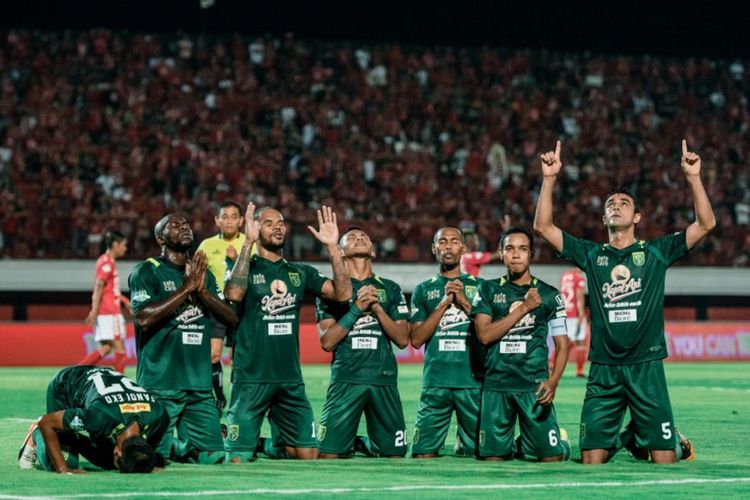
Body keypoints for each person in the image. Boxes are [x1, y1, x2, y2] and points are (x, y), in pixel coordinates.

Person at [533, 139, 714, 464]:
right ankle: (628, 436)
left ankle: (655, 437)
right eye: (611, 204)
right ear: (604, 218)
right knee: (591, 460)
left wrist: (693, 178)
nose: (616, 205)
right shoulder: (592, 254)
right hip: (604, 368)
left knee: (664, 461)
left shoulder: (657, 252)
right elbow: (543, 227)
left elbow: (705, 225)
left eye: (624, 203)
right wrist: (549, 179)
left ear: (638, 217)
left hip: (647, 365)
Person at [224, 204, 352, 462]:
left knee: (309, 454)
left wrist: (332, 247)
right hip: (252, 378)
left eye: (281, 223)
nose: (278, 227)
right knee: (238, 458)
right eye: (269, 223)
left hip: (289, 379)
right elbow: (233, 294)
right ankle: (256, 443)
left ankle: (271, 445)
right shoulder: (246, 267)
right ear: (256, 228)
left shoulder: (299, 272)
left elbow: (343, 293)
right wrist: (247, 244)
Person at [128, 214, 238, 464]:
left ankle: (184, 447)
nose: (184, 228)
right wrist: (186, 289)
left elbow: (232, 318)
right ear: (160, 238)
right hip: (162, 383)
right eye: (174, 226)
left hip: (199, 386)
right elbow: (143, 318)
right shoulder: (147, 271)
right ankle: (178, 448)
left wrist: (203, 292)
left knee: (215, 457)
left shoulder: (203, 274)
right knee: (154, 458)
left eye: (186, 224)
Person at [471, 226, 571, 462]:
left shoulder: (549, 294)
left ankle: (560, 443)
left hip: (533, 385)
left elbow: (563, 345)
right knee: (492, 459)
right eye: (510, 249)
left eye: (523, 249)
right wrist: (524, 308)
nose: (516, 254)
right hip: (497, 384)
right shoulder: (487, 289)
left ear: (531, 254)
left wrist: (553, 380)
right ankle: (523, 443)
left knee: (551, 459)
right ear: (502, 253)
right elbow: (484, 335)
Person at [316, 227, 410, 458]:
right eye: (352, 238)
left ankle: (360, 443)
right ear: (341, 252)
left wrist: (377, 307)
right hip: (346, 378)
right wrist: (357, 308)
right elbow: (327, 342)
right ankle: (348, 441)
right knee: (327, 454)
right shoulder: (331, 291)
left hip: (383, 378)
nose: (360, 238)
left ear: (374, 251)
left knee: (394, 454)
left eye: (365, 237)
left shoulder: (390, 288)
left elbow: (402, 339)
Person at [410, 226, 484, 458]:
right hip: (436, 382)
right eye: (442, 242)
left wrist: (463, 301)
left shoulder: (481, 287)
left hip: (472, 381)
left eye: (454, 241)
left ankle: (465, 439)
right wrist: (443, 304)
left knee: (485, 452)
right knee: (422, 454)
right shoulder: (423, 290)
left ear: (463, 248)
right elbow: (416, 339)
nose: (448, 246)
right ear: (434, 248)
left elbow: (488, 333)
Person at [17, 365, 168, 474]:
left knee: (112, 460)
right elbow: (46, 422)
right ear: (116, 452)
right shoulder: (99, 417)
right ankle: (36, 434)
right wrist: (62, 469)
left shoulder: (159, 416)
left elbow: (144, 452)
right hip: (66, 386)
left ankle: (73, 439)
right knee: (65, 460)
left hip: (104, 381)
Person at [196, 201, 249, 414]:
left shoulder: (249, 243)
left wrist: (238, 261)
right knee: (213, 355)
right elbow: (195, 274)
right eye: (224, 216)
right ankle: (218, 397)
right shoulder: (206, 245)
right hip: (216, 308)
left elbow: (258, 272)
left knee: (239, 360)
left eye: (233, 216)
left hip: (242, 309)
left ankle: (239, 402)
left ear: (241, 221)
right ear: (217, 220)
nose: (229, 220)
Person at [78, 231, 131, 373]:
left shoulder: (105, 260)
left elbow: (111, 291)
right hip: (110, 312)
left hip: (106, 312)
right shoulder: (107, 262)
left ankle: (76, 372)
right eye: (123, 245)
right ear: (115, 244)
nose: (125, 248)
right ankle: (121, 384)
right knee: (120, 348)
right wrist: (94, 311)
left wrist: (125, 301)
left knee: (106, 347)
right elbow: (99, 285)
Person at [560, 267, 588, 377]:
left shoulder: (564, 276)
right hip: (575, 314)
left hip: (565, 312)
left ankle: (553, 364)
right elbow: (579, 297)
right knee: (580, 341)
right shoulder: (579, 278)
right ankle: (579, 370)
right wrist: (581, 314)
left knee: (566, 341)